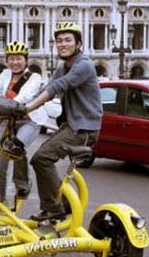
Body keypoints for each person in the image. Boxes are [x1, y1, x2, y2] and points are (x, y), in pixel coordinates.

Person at [22, 22, 102, 221]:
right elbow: (47, 88)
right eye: (59, 41)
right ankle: (62, 204)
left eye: (68, 40)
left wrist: (28, 108)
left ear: (78, 43)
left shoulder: (83, 65)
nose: (63, 44)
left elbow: (58, 86)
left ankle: (56, 207)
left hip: (84, 129)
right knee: (41, 158)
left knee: (42, 158)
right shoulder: (63, 66)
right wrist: (19, 107)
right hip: (73, 126)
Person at [0, 41, 46, 203]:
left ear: (26, 60)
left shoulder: (34, 77)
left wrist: (4, 105)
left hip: (28, 121)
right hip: (7, 120)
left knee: (16, 147)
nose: (15, 63)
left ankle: (23, 184)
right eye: (11, 59)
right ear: (7, 61)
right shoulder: (4, 74)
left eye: (18, 59)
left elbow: (24, 97)